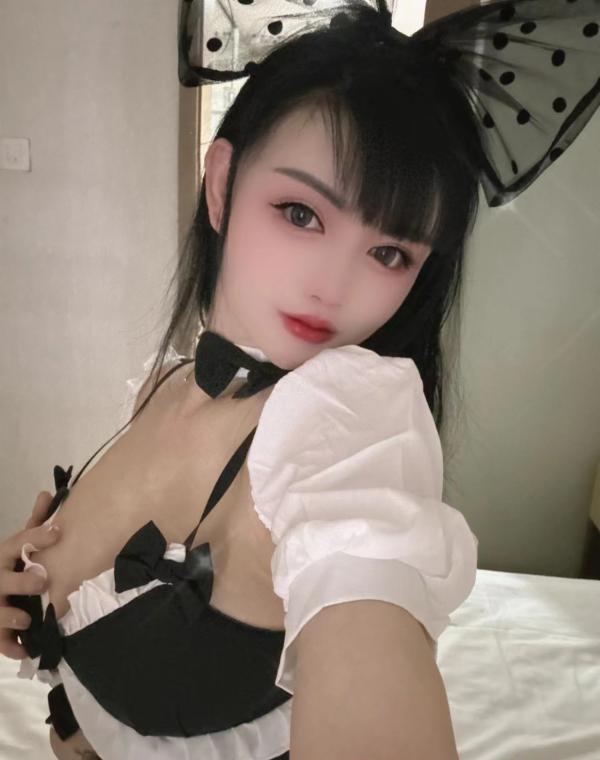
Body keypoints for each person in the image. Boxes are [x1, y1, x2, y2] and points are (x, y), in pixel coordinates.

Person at [1, 0, 598, 758]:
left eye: (390, 254)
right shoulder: (170, 381)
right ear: (222, 184)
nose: (332, 286)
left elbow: (367, 610)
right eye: (301, 213)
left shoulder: (339, 433)